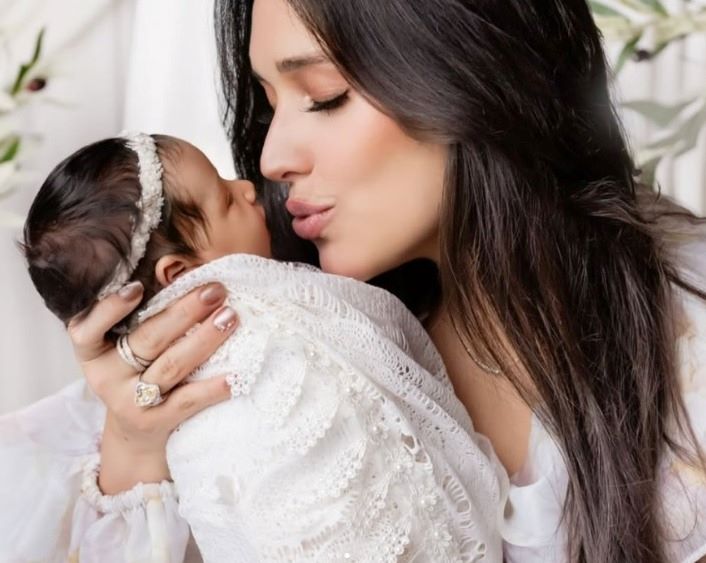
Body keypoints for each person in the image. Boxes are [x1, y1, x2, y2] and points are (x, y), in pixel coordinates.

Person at [6, 0, 706, 561]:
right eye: (268, 101)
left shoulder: (684, 333)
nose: (270, 158)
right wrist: (135, 446)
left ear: (471, 70)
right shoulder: (244, 337)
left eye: (323, 95)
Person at [1, 131, 506, 561]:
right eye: (224, 199)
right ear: (179, 274)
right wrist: (131, 441)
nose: (248, 185)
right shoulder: (221, 345)